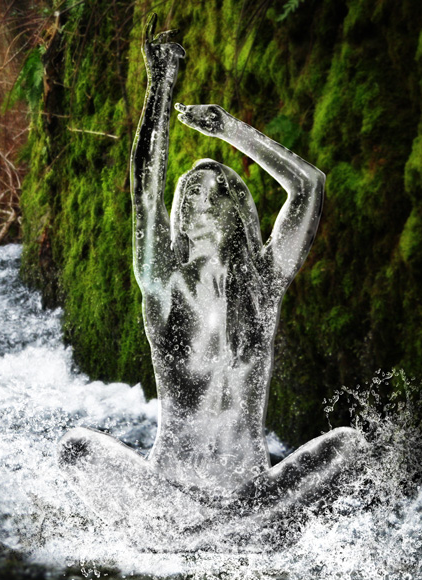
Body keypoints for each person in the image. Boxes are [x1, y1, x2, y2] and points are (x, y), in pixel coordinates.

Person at [59, 17, 363, 541]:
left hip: (251, 490)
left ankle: (208, 536)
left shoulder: (263, 285)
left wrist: (228, 130)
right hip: (169, 492)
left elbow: (309, 185)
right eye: (187, 195)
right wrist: (160, 86)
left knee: (349, 445)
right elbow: (144, 186)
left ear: (237, 210)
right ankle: (222, 534)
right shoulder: (163, 284)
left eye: (209, 192)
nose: (193, 202)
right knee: (75, 447)